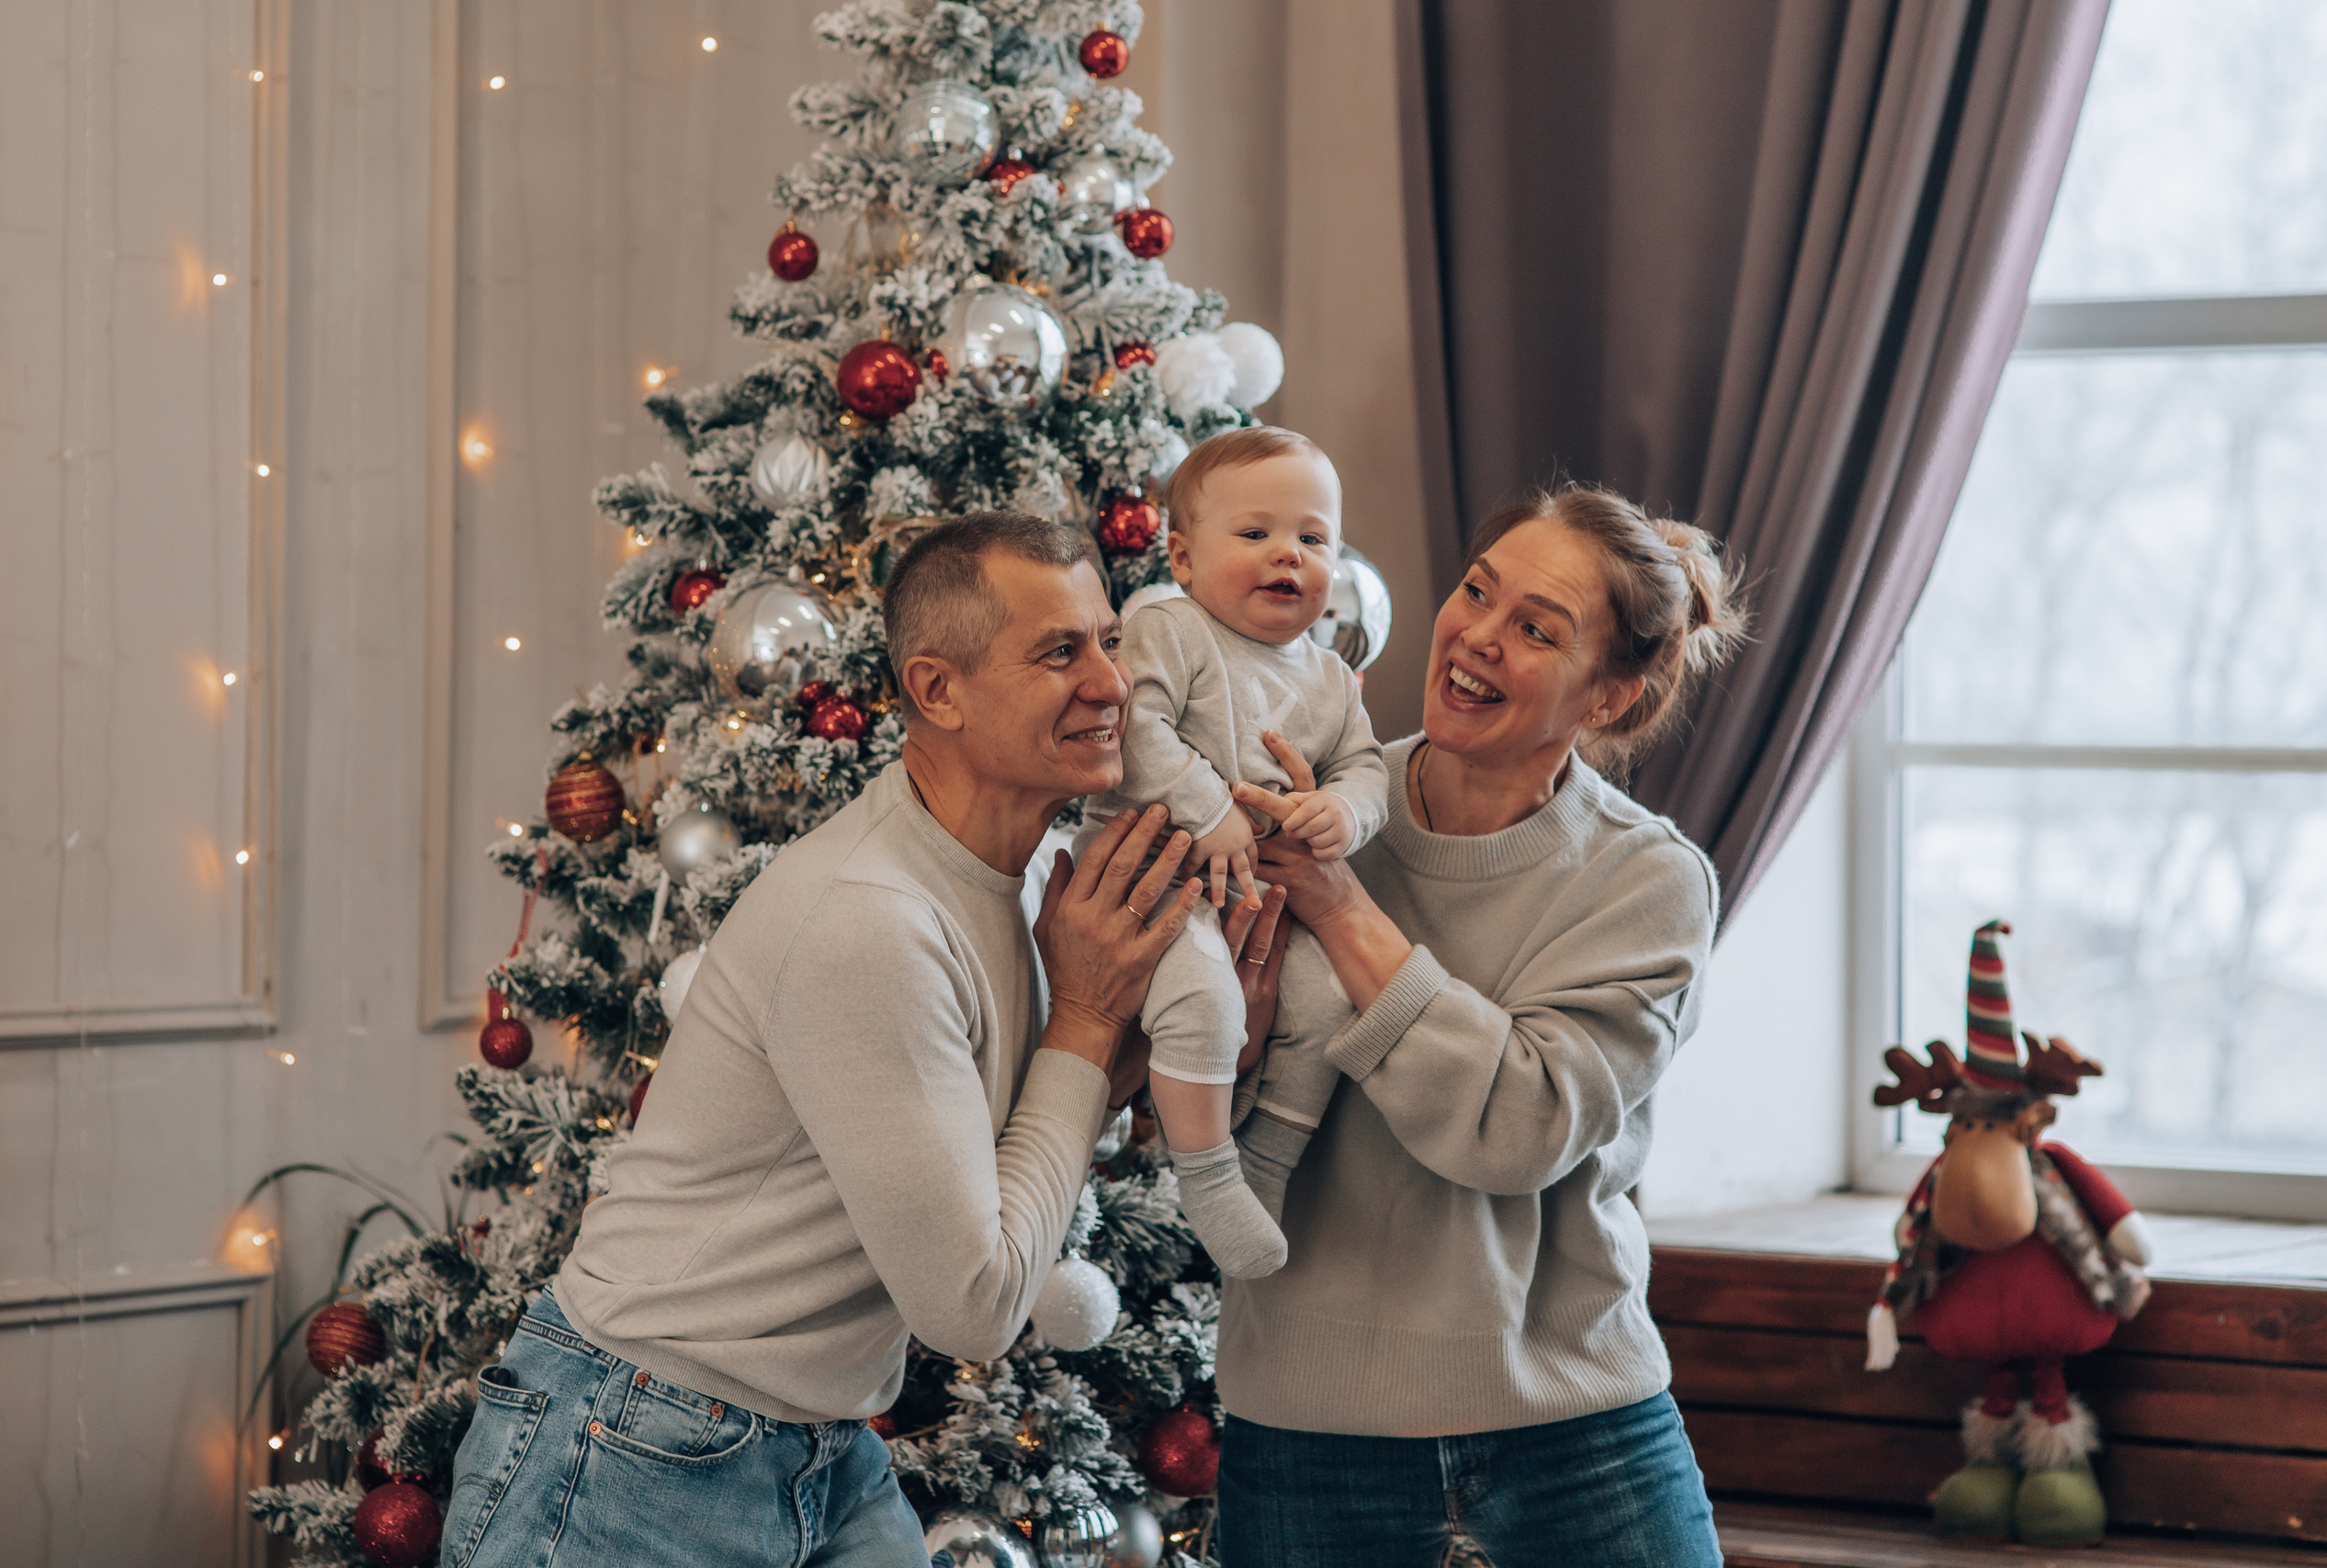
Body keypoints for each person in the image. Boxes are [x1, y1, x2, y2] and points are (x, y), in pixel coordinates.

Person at [439, 512, 1265, 1568]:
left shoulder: (1033, 884)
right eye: (1062, 651)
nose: (1114, 683)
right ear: (937, 690)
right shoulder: (870, 918)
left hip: (818, 1448)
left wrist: (1139, 1045)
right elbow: (972, 1304)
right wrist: (1091, 1022)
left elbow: (997, 1156)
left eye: (1109, 638)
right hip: (634, 1444)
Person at [1215, 483, 1750, 1568]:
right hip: (1308, 1438)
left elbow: (1516, 1129)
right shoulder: (1311, 805)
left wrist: (1338, 909)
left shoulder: (1644, 881)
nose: (1476, 638)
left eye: (1536, 630)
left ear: (1608, 697)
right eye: (1476, 593)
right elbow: (1190, 1112)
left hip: (1578, 1436)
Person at [1078, 427, 1386, 1280]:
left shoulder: (1328, 676)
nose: (1288, 554)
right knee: (1206, 998)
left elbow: (1365, 767)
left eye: (1313, 539)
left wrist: (1341, 811)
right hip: (1157, 874)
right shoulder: (1168, 627)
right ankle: (1207, 1175)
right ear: (1181, 557)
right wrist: (1209, 808)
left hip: (1253, 888)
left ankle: (1264, 1167)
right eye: (1255, 534)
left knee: (1329, 1001)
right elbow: (1128, 728)